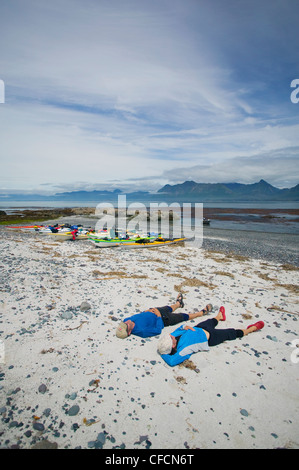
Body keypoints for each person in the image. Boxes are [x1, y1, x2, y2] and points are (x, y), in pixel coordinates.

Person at [157, 306, 265, 366]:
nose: (171, 336)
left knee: (210, 321)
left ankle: (219, 316)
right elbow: (171, 361)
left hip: (199, 327)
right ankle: (252, 329)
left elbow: (178, 329)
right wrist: (163, 354)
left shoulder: (173, 336)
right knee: (231, 333)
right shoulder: (183, 350)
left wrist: (185, 326)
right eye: (171, 339)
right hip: (211, 337)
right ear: (173, 346)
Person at [116, 293, 213, 339]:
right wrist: (158, 316)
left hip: (154, 311)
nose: (127, 322)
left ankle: (179, 304)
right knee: (183, 316)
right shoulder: (142, 331)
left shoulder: (126, 320)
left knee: (169, 308)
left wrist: (147, 311)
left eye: (124, 323)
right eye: (127, 325)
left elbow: (138, 316)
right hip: (164, 320)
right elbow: (158, 330)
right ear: (129, 332)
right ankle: (201, 313)